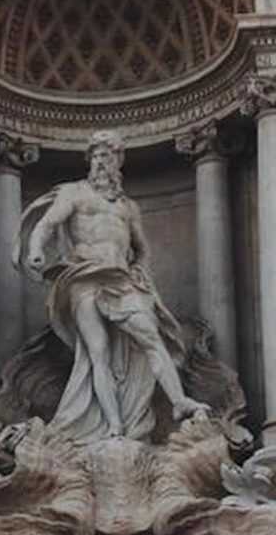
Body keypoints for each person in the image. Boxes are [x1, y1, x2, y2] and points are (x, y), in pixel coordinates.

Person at [16, 130, 208, 444]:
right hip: (84, 277)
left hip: (120, 279)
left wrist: (140, 272)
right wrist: (36, 249)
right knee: (97, 352)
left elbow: (142, 249)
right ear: (90, 160)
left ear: (118, 161)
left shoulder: (128, 207)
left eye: (109, 155)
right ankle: (114, 425)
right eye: (97, 155)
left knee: (151, 337)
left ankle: (178, 402)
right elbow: (47, 225)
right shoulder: (74, 194)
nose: (102, 161)